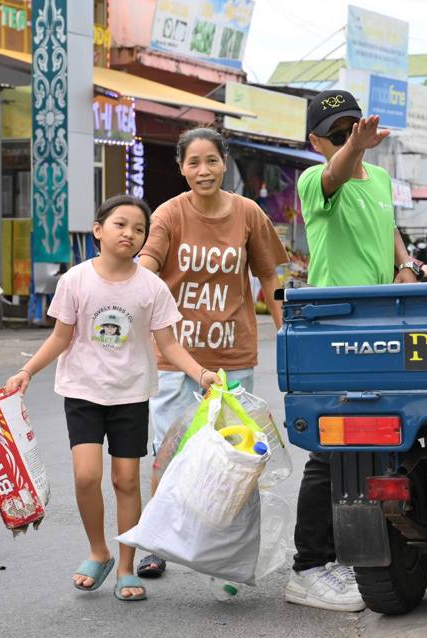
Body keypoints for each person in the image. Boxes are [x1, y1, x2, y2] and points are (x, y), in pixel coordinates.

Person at [3, 195, 217, 602]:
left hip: (131, 394)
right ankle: (97, 551)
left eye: (139, 229)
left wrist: (202, 374)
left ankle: (124, 566)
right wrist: (27, 370)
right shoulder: (76, 280)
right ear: (99, 230)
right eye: (120, 224)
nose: (130, 234)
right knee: (86, 475)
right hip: (83, 392)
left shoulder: (151, 287)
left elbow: (169, 345)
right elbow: (60, 337)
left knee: (125, 480)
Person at [284, 90, 426, 612]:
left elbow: (388, 228)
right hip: (333, 323)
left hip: (381, 318)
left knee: (383, 439)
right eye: (339, 134)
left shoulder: (383, 180)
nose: (350, 139)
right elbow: (334, 177)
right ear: (318, 141)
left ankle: (349, 554)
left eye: (354, 129)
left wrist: (406, 266)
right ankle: (308, 567)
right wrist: (352, 150)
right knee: (330, 450)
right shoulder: (313, 180)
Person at [134, 127, 289, 578]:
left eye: (211, 161)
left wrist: (287, 335)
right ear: (181, 168)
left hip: (234, 356)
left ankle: (230, 550)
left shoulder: (248, 213)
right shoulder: (168, 214)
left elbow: (269, 280)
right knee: (170, 451)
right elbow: (146, 266)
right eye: (193, 163)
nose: (203, 170)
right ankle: (157, 542)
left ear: (225, 163)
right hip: (174, 357)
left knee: (235, 455)